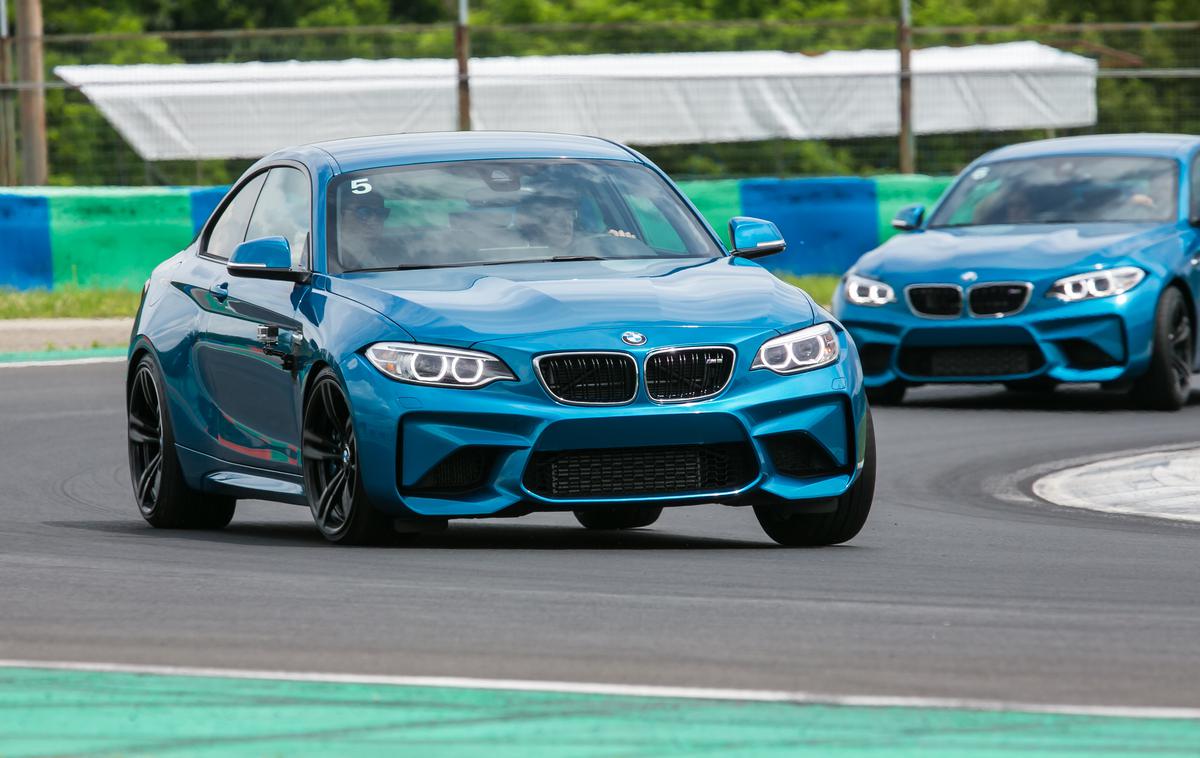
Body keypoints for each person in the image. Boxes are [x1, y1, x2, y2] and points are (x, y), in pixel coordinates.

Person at [336, 188, 391, 269]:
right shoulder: (329, 259)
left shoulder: (389, 253)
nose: (373, 221)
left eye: (380, 213)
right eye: (364, 212)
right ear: (341, 216)